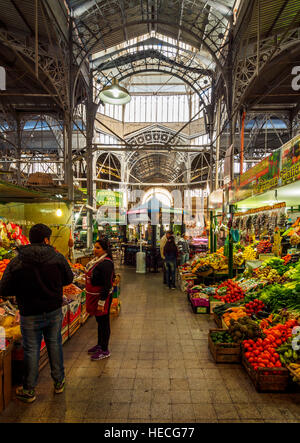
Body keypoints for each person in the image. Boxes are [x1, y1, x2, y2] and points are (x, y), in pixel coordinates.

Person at [0, 223, 73, 403]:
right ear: (46, 239)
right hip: (53, 310)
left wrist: (21, 289)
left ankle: (29, 390)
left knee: (31, 349)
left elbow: (3, 287)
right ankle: (59, 383)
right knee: (54, 344)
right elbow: (69, 279)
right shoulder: (56, 257)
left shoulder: (18, 260)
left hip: (29, 312)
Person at [85, 239, 115, 361]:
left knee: (104, 323)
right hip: (94, 296)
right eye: (94, 247)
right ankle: (100, 344)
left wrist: (101, 302)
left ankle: (105, 349)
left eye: (98, 248)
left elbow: (107, 285)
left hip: (102, 297)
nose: (94, 250)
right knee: (99, 322)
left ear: (105, 250)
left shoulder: (106, 263)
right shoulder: (97, 261)